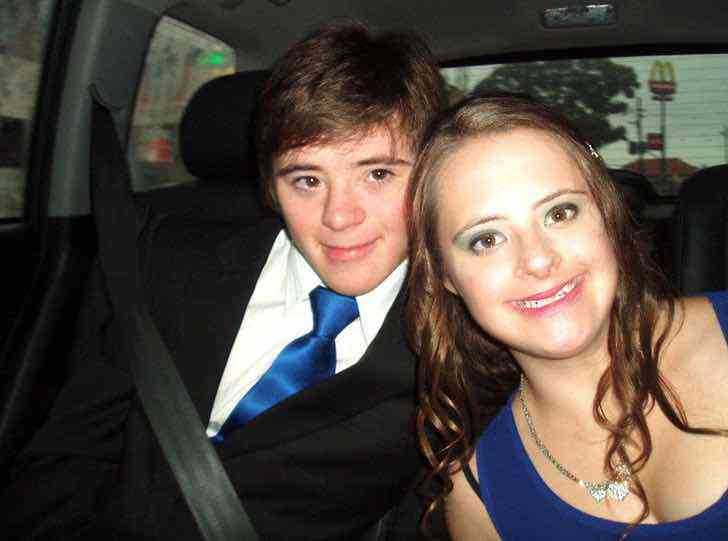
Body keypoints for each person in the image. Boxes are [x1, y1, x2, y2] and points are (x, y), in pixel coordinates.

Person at [3, 22, 446, 540]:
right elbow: (68, 455)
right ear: (272, 186)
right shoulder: (158, 262)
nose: (339, 216)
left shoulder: (463, 346)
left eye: (377, 174)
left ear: (433, 176)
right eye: (307, 180)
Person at [405, 94, 728, 540]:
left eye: (560, 213)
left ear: (607, 215)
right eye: (487, 239)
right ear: (446, 276)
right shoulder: (477, 495)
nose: (538, 260)